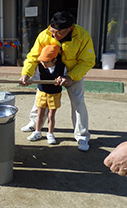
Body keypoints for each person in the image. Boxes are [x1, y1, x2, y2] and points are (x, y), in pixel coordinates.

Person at [19, 11, 95, 151]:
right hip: (48, 72)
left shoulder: (82, 36)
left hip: (72, 73)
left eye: (58, 33)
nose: (54, 35)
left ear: (70, 28)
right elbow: (33, 56)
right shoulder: (45, 35)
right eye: (52, 31)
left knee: (78, 102)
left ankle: (82, 136)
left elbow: (87, 61)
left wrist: (71, 77)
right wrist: (26, 73)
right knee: (40, 98)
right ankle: (35, 123)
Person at [25, 45, 67, 144]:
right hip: (42, 92)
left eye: (46, 61)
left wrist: (62, 80)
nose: (43, 63)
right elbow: (36, 78)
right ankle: (37, 131)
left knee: (51, 115)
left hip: (55, 94)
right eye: (42, 61)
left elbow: (66, 78)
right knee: (40, 114)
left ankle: (50, 133)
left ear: (55, 59)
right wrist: (29, 81)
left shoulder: (62, 67)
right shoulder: (39, 67)